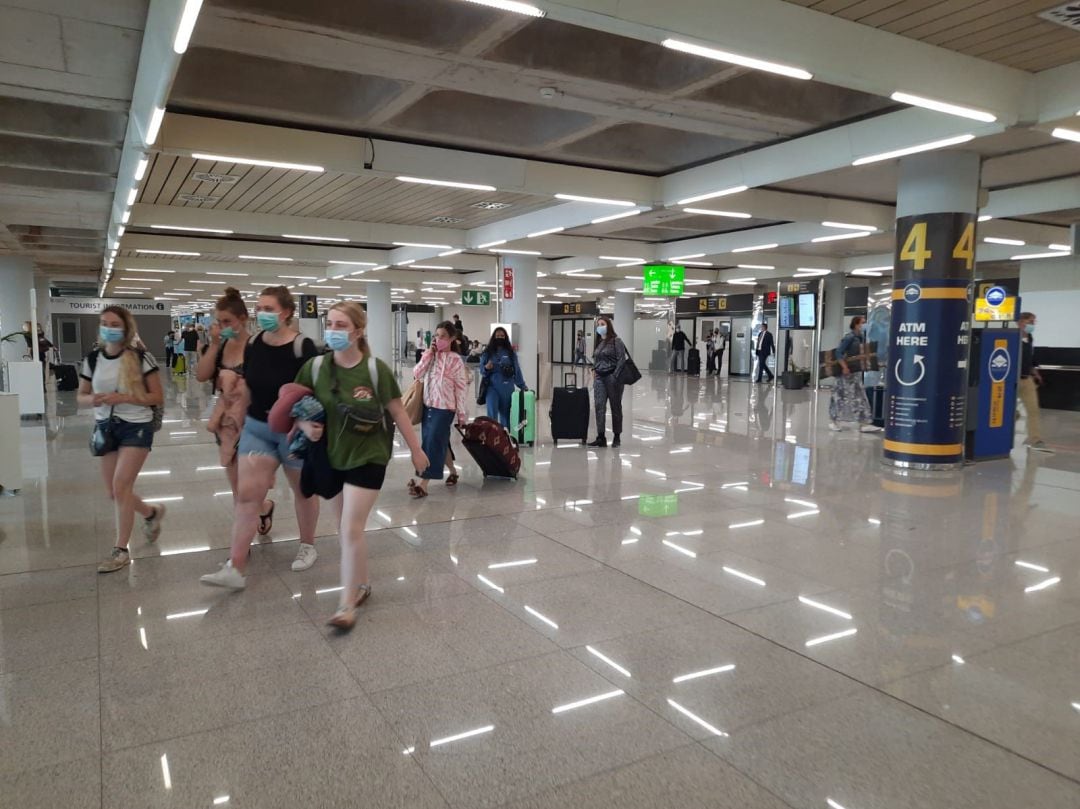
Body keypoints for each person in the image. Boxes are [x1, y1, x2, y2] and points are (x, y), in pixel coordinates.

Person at [293, 302, 428, 629]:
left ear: (357, 331)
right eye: (331, 324)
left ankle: (345, 605)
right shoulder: (314, 368)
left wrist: (416, 450)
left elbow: (398, 412)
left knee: (350, 528)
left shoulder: (374, 370)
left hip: (369, 456)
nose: (334, 331)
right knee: (346, 531)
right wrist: (304, 426)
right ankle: (362, 585)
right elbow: (295, 408)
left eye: (341, 325)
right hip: (331, 456)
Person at [200, 286, 320, 589]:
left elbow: (312, 393)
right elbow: (250, 386)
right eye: (260, 307)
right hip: (256, 428)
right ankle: (236, 566)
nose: (263, 313)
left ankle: (308, 544)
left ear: (287, 312)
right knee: (247, 495)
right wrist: (239, 423)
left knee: (303, 491)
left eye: (269, 308)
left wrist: (309, 426)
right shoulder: (254, 344)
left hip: (293, 431)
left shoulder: (302, 347)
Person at [77, 305, 166, 572]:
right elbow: (80, 396)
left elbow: (157, 397)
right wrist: (93, 399)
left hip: (136, 426)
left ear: (126, 328)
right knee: (114, 492)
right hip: (107, 426)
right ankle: (150, 513)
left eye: (115, 324)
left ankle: (120, 549)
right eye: (105, 323)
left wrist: (125, 397)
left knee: (121, 485)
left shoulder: (141, 358)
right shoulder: (93, 359)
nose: (109, 328)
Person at [196, 289, 279, 518]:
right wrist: (213, 346)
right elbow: (202, 375)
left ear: (243, 319)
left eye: (227, 321)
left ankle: (259, 511)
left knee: (251, 486)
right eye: (219, 321)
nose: (223, 326)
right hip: (228, 425)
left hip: (254, 423)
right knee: (238, 487)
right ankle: (249, 531)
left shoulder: (258, 346)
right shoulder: (221, 347)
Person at [408, 320, 468, 498]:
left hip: (445, 409)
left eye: (443, 336)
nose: (438, 339)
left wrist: (462, 415)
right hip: (428, 406)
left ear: (452, 339)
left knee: (432, 442)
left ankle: (423, 483)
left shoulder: (456, 360)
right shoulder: (430, 356)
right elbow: (416, 373)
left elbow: (461, 388)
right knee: (439, 441)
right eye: (436, 335)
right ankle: (453, 471)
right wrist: (428, 354)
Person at [828, 316, 883, 434]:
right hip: (845, 373)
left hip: (855, 373)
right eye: (863, 323)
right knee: (840, 397)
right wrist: (844, 367)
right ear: (856, 324)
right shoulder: (849, 337)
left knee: (860, 397)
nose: (865, 324)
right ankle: (834, 421)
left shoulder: (860, 338)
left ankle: (864, 423)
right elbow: (838, 352)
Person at [589, 316, 628, 448]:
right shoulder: (599, 342)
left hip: (613, 378)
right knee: (599, 407)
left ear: (608, 325)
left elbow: (622, 360)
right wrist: (594, 369)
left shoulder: (616, 341)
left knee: (615, 407)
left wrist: (615, 376)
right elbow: (596, 359)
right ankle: (601, 437)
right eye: (598, 324)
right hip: (599, 378)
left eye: (602, 324)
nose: (600, 326)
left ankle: (617, 437)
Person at [1017, 312, 1052, 453]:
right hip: (1013, 379)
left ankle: (1035, 439)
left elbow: (1029, 358)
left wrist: (1034, 371)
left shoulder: (1030, 338)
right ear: (1021, 322)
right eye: (1030, 321)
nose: (1032, 324)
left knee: (1033, 410)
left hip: (1027, 379)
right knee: (1009, 412)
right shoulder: (1012, 337)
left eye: (1033, 322)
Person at [480, 327, 527, 430]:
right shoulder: (487, 352)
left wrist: (522, 386)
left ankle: (505, 438)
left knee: (505, 414)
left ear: (506, 337)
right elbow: (482, 371)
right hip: (492, 387)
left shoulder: (511, 353)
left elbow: (517, 370)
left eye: (502, 336)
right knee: (492, 414)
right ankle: (492, 436)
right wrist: (486, 368)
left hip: (507, 388)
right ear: (493, 337)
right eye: (497, 336)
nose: (500, 338)